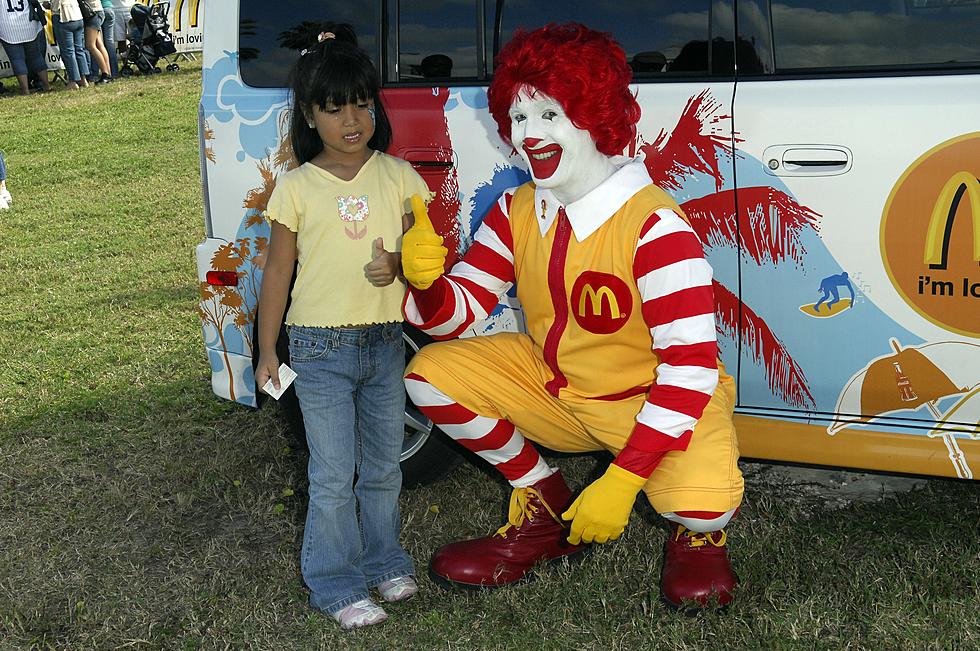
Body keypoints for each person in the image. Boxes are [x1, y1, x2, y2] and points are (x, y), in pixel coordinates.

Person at [401, 23, 744, 609]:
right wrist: (428, 285)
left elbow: (690, 370)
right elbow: (457, 315)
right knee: (430, 374)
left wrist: (623, 479)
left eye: (548, 115)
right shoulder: (516, 210)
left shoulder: (655, 229)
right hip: (556, 387)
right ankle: (543, 506)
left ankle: (699, 535)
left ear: (594, 115)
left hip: (649, 400)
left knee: (701, 500)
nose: (528, 135)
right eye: (517, 118)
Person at [254, 25, 427, 630]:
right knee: (332, 474)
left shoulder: (402, 177)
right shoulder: (296, 187)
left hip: (384, 345)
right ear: (309, 114)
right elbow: (278, 271)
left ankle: (384, 561)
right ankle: (334, 581)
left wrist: (401, 264)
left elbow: (431, 254)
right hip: (318, 348)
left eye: (361, 103)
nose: (351, 119)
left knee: (383, 466)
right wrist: (266, 349)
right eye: (333, 108)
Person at [0, 0, 51, 94]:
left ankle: (25, 90)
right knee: (36, 56)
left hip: (7, 25)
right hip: (28, 23)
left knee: (17, 59)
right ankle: (46, 86)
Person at [49, 0, 90, 89]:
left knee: (68, 52)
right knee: (79, 49)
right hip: (77, 15)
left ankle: (73, 81)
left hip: (63, 17)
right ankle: (83, 79)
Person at [80, 0, 112, 82]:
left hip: (92, 13)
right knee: (99, 45)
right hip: (96, 11)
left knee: (90, 45)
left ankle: (105, 73)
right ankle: (108, 74)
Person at [98, 0, 117, 77]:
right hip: (109, 8)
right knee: (110, 42)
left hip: (98, 10)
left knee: (97, 43)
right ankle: (114, 71)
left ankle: (95, 72)